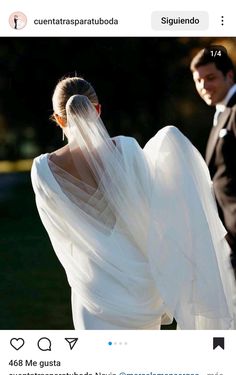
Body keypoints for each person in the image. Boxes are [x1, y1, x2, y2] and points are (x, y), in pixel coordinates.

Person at [31, 76, 236, 330]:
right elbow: (155, 213)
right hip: (142, 291)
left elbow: (61, 236)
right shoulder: (128, 150)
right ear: (97, 109)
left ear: (59, 119)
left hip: (95, 293)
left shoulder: (42, 170)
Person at [190, 46, 236, 276]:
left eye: (210, 78)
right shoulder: (221, 113)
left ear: (229, 76)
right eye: (198, 80)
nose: (204, 87)